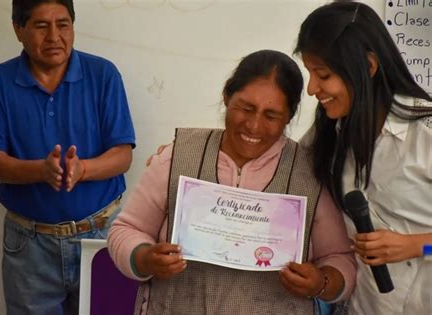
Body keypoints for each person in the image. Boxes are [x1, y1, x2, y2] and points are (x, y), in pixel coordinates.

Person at [107, 50, 357, 314]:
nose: (254, 126)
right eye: (245, 108)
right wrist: (145, 258)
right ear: (227, 96)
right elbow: (126, 230)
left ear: (289, 117)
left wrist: (321, 283)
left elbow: (341, 259)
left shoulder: (310, 172)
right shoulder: (179, 156)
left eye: (271, 116)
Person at [0, 0, 135, 313]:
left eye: (63, 24)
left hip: (100, 237)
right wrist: (41, 171)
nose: (54, 36)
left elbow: (122, 156)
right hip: (29, 246)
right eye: (41, 26)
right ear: (19, 30)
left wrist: (83, 168)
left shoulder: (103, 75)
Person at [294, 2, 432, 314]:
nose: (313, 88)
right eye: (309, 74)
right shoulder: (328, 133)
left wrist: (418, 244)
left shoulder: (425, 132)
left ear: (369, 66)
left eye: (323, 74)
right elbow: (282, 167)